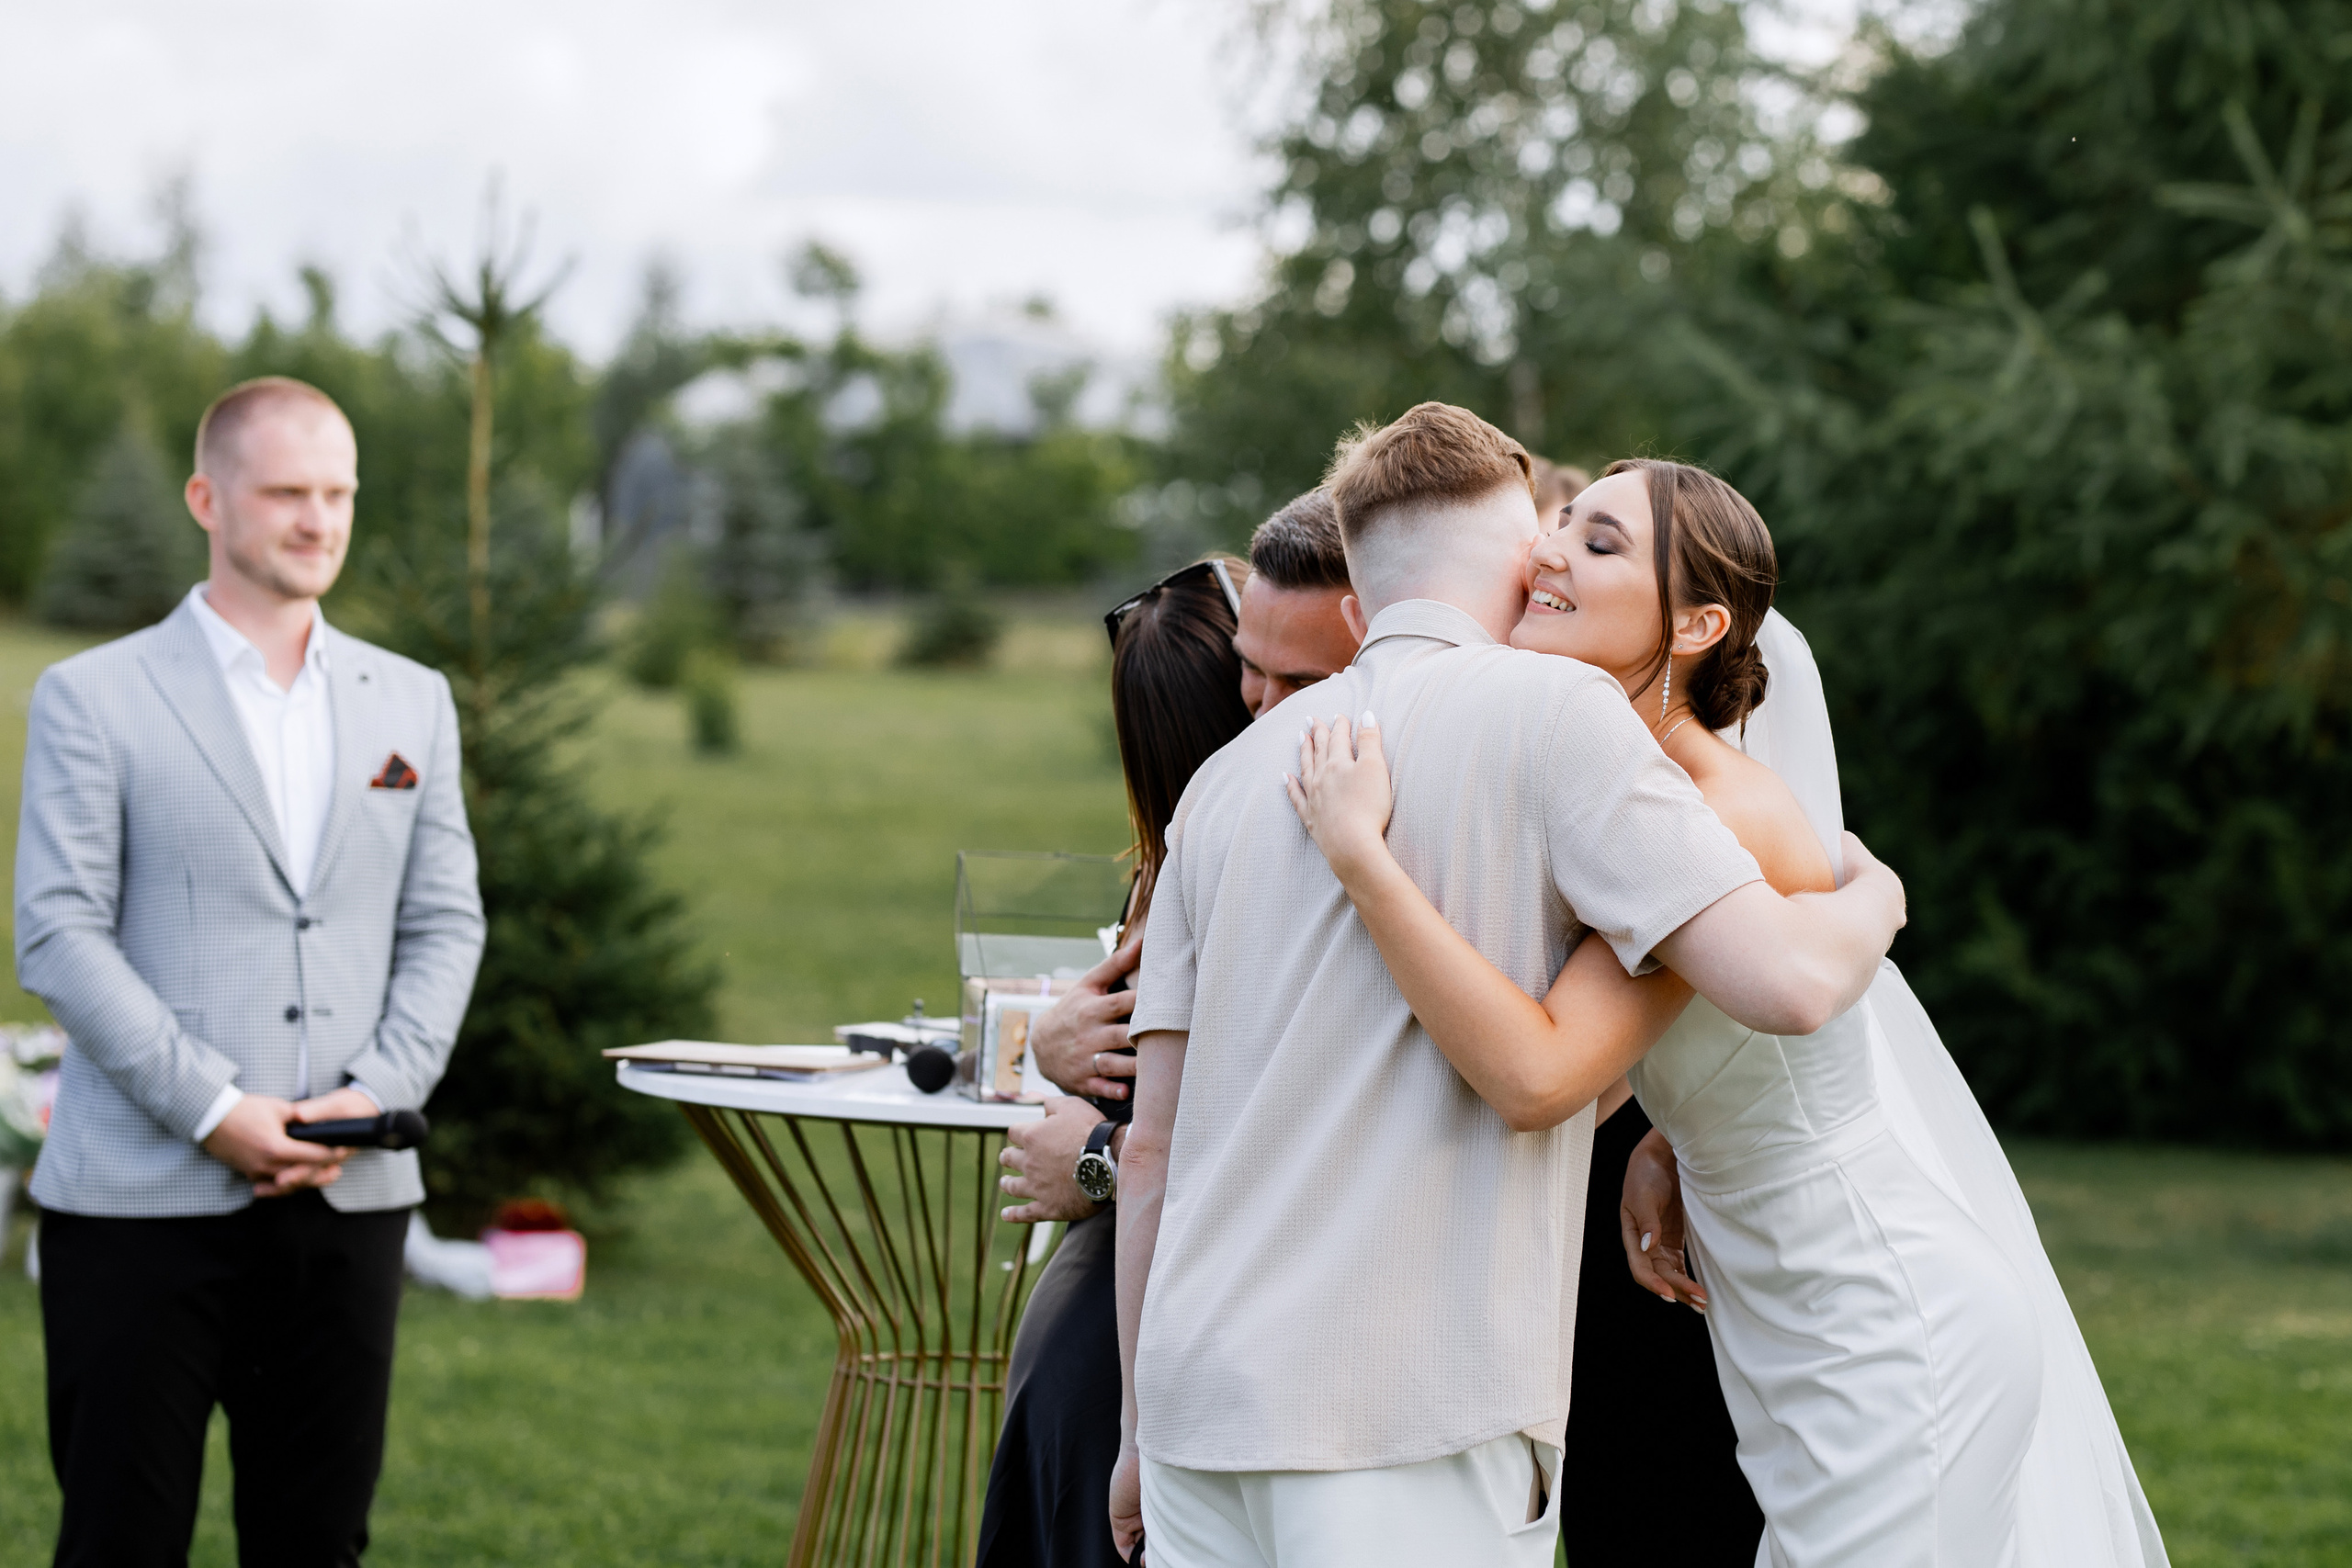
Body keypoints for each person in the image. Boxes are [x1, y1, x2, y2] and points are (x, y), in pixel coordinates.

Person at [1285, 457, 2167, 1565]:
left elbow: (1541, 1072)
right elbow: (1681, 1047)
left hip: (1881, 1314)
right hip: (1783, 1315)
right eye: (1560, 523)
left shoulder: (1702, 814)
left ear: (1699, 626)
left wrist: (1361, 860)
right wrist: (1673, 1135)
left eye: (1599, 542)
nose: (1548, 550)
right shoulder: (1626, 793)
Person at [1110, 404, 1908, 1568]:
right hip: (1407, 1411)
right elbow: (1776, 986)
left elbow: (1148, 1151)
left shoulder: (1222, 786)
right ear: (1515, 561)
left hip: (1195, 1412)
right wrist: (1879, 893)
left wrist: (1134, 1430)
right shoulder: (1556, 714)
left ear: (1356, 599)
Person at [18, 376, 486, 1567]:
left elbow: (445, 922)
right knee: (120, 1542)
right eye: (286, 492)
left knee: (317, 1542)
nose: (318, 519)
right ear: (206, 499)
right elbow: (58, 931)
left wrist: (372, 1096)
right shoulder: (92, 696)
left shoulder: (413, 701)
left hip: (350, 1201)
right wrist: (216, 1109)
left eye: (339, 493)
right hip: (139, 1205)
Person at [976, 554, 1257, 1568]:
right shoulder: (1194, 879)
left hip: (1129, 1322)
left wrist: (1093, 1149)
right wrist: (1061, 1051)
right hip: (1124, 1339)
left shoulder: (1189, 872)